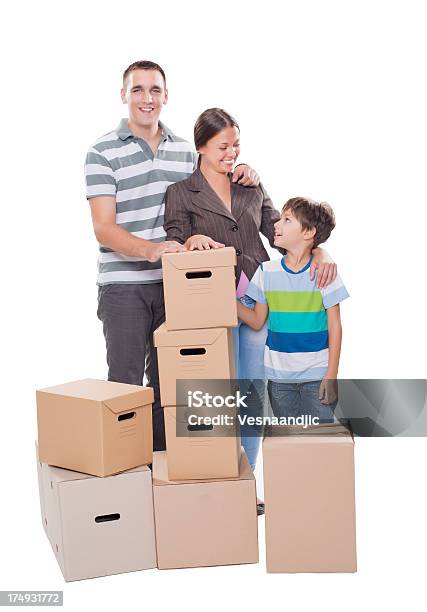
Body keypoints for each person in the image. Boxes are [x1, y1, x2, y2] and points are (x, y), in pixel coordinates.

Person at [84, 62, 259, 452]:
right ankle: (130, 475)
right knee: (126, 385)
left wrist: (243, 169)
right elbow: (103, 227)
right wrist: (151, 250)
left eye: (155, 90)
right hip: (123, 286)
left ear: (166, 96)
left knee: (173, 386)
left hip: (178, 286)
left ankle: (165, 476)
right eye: (139, 89)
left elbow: (213, 184)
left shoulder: (183, 150)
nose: (147, 98)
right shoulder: (101, 152)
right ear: (124, 95)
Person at [163, 109, 337, 476]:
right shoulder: (180, 193)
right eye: (223, 146)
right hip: (210, 303)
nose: (232, 153)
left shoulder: (249, 184)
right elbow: (174, 242)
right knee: (215, 394)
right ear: (201, 148)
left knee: (252, 393)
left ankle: (249, 479)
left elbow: (282, 233)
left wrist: (320, 250)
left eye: (236, 144)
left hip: (256, 298)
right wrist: (191, 239)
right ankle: (215, 473)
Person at [237, 197, 349, 424]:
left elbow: (335, 327)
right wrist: (223, 299)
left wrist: (331, 375)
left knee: (319, 441)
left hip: (317, 375)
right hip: (279, 379)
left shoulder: (324, 274)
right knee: (290, 444)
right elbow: (257, 320)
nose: (276, 225)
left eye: (286, 220)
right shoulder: (265, 272)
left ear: (308, 232)